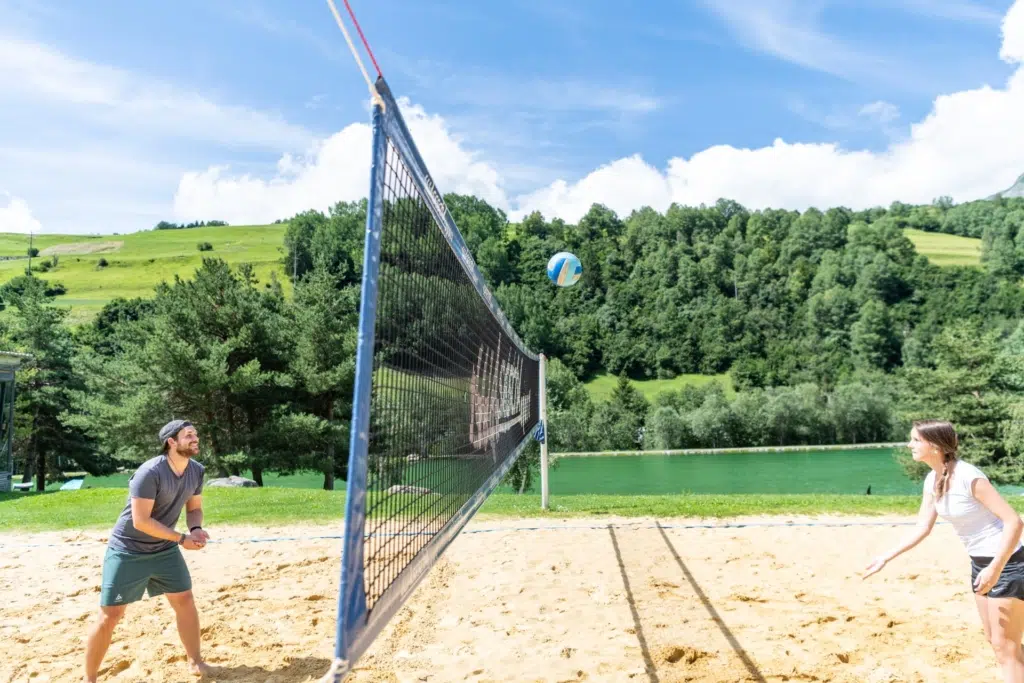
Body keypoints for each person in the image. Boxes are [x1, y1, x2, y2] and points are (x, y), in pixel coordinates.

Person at [863, 419, 1024, 681]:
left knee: (1005, 646)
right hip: (980, 564)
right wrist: (886, 557)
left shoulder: (968, 476)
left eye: (915, 440)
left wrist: (995, 567)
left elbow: (1014, 522)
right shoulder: (932, 479)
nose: (909, 445)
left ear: (935, 446)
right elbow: (922, 527)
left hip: (1009, 562)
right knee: (997, 642)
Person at [83, 420, 211, 682]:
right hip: (128, 550)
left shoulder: (196, 471)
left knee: (185, 600)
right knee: (111, 615)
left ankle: (195, 661)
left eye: (196, 434)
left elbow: (194, 507)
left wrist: (196, 527)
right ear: (171, 443)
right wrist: (181, 539)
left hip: (164, 549)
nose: (195, 438)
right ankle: (89, 678)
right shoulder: (149, 472)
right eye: (189, 435)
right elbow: (141, 521)